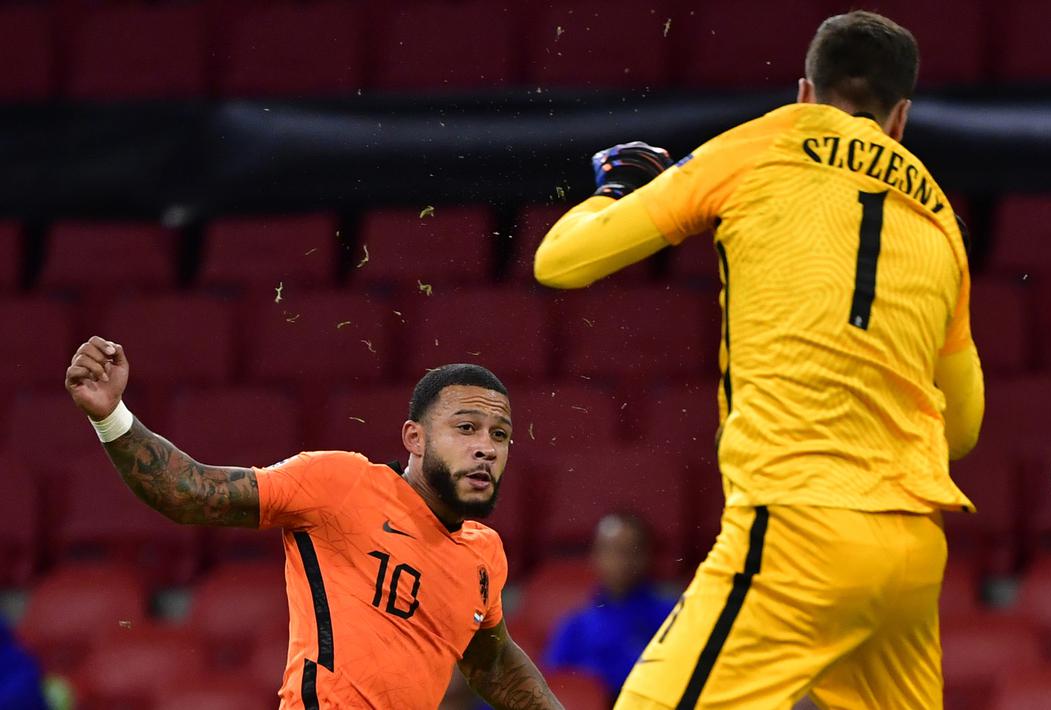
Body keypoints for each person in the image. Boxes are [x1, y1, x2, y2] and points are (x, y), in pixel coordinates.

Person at [534, 10, 984, 710]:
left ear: (805, 92)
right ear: (899, 117)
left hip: (798, 523)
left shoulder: (764, 143)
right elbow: (961, 429)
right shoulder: (939, 219)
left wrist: (618, 189)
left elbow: (560, 263)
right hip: (910, 551)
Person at [64, 340, 562, 710]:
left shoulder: (484, 553)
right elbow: (191, 492)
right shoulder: (340, 483)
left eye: (500, 435)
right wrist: (113, 418)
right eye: (466, 428)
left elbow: (492, 663)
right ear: (415, 437)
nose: (486, 448)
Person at [544, 513, 676, 701]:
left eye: (627, 550)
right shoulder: (576, 624)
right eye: (608, 550)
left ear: (646, 555)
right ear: (595, 556)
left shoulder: (669, 616)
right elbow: (551, 683)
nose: (618, 561)